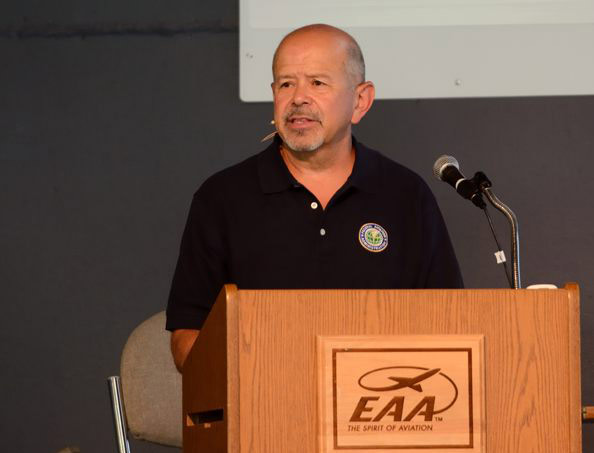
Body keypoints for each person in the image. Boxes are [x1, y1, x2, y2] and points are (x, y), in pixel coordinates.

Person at [166, 24, 463, 372]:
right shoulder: (223, 198)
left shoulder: (405, 195)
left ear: (360, 100)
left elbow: (451, 326)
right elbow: (187, 339)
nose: (298, 98)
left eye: (317, 83)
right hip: (265, 411)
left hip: (384, 407)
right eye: (286, 83)